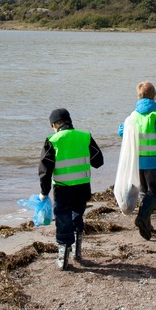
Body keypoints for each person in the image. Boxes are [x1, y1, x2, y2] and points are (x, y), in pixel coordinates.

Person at [39, 108, 105, 269]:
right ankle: (77, 249)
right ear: (69, 121)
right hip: (82, 188)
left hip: (62, 189)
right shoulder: (85, 137)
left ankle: (63, 256)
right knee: (77, 215)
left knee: (62, 218)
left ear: (54, 124)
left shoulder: (52, 140)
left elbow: (45, 171)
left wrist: (43, 192)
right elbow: (98, 161)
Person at [118, 81, 156, 240]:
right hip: (152, 162)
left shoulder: (132, 116)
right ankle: (142, 218)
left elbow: (121, 131)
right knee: (155, 191)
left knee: (145, 192)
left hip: (137, 161)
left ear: (138, 96)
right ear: (154, 96)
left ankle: (148, 224)